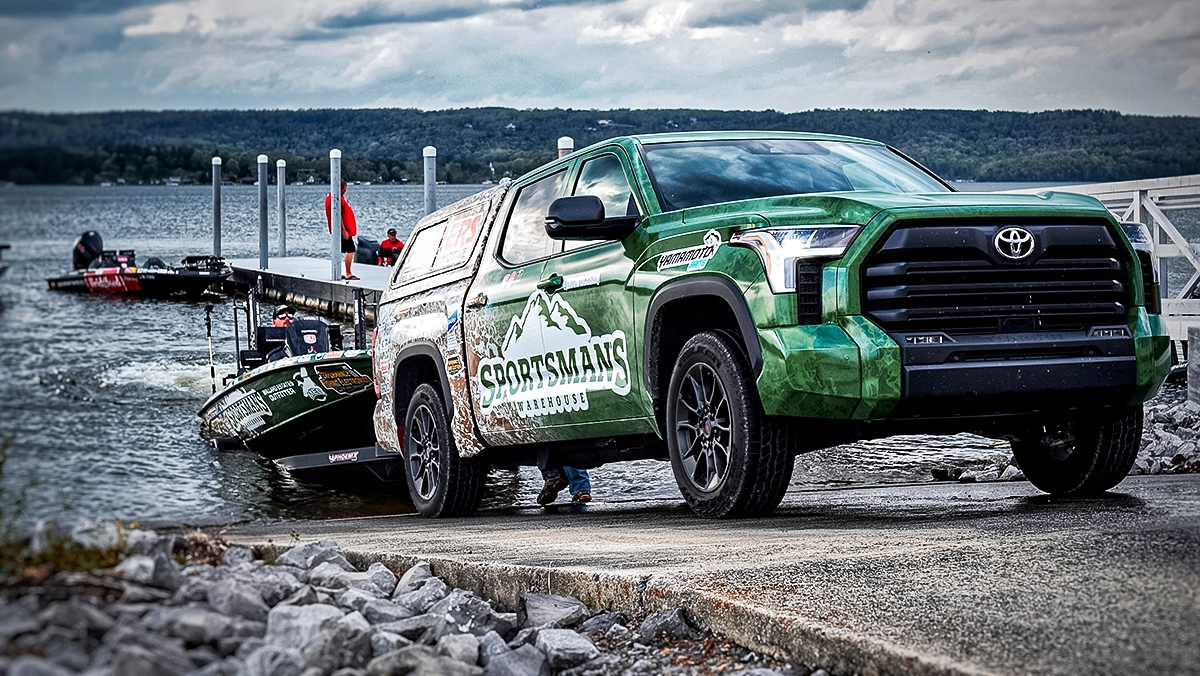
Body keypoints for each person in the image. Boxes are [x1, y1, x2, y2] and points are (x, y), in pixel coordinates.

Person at [325, 179, 359, 280]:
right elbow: (337, 214)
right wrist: (343, 230)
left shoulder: (339, 197)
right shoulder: (335, 198)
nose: (345, 190)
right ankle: (348, 273)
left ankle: (340, 272)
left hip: (346, 229)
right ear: (341, 187)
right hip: (343, 231)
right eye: (345, 188)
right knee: (350, 249)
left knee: (344, 250)